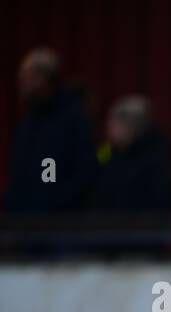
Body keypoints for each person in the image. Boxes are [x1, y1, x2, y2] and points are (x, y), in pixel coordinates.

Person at [3, 47, 97, 214]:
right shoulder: (28, 123)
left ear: (44, 79)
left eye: (27, 79)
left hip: (59, 224)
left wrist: (53, 201)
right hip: (26, 223)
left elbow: (83, 172)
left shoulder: (72, 120)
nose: (22, 85)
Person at [90, 96, 171, 211]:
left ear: (130, 127)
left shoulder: (153, 155)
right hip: (106, 222)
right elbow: (93, 167)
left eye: (113, 124)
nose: (108, 129)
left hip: (136, 224)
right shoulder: (108, 149)